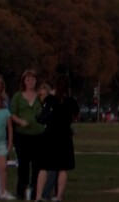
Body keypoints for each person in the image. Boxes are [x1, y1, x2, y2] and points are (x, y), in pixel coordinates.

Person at [35, 74, 79, 202]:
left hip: (50, 135)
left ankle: (38, 196)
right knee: (63, 168)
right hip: (64, 136)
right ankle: (59, 196)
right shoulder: (71, 101)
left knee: (44, 166)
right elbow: (75, 115)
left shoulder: (50, 99)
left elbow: (41, 116)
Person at [10, 69, 44, 200]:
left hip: (38, 135)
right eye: (28, 79)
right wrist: (20, 121)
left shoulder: (40, 96)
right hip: (22, 135)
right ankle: (21, 192)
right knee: (23, 165)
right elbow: (12, 114)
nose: (30, 82)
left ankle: (36, 192)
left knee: (37, 166)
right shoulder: (18, 96)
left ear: (36, 81)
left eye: (33, 79)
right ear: (24, 81)